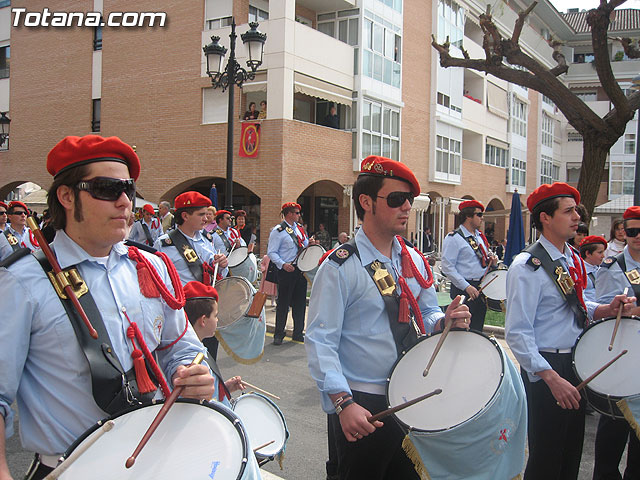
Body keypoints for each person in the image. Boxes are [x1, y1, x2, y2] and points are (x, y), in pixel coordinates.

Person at [0, 135, 215, 480]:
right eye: (105, 188)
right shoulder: (21, 281)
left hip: (153, 462)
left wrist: (191, 373)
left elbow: (181, 347)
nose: (123, 201)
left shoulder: (152, 267)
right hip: (71, 469)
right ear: (67, 196)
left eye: (128, 190)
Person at [306, 155, 471, 480]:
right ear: (366, 201)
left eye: (409, 200)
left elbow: (427, 312)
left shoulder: (412, 258)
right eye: (397, 199)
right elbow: (321, 341)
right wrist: (343, 403)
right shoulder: (340, 266)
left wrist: (444, 321)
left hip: (411, 394)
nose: (407, 207)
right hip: (363, 402)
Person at [505, 182, 635, 480]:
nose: (576, 216)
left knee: (570, 453)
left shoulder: (572, 258)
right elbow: (517, 332)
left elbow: (577, 304)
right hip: (548, 367)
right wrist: (550, 377)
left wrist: (604, 309)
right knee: (547, 455)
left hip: (575, 362)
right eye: (568, 211)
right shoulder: (527, 266)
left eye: (576, 210)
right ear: (545, 218)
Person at [592, 206, 640, 480]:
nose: (637, 236)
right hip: (621, 356)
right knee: (613, 427)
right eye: (631, 231)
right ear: (623, 233)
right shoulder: (613, 267)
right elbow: (601, 309)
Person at [183, 281, 244, 405]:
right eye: (215, 315)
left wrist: (224, 388)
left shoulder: (196, 346)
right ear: (203, 320)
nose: (217, 319)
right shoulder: (194, 361)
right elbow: (202, 406)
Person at [441, 199, 497, 332]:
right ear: (468, 216)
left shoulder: (479, 237)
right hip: (464, 290)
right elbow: (447, 267)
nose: (482, 218)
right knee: (460, 331)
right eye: (479, 215)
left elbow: (482, 260)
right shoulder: (454, 238)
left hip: (481, 288)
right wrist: (467, 287)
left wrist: (492, 262)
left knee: (477, 330)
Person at [154, 191, 228, 286]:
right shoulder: (163, 244)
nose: (206, 219)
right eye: (201, 215)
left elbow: (218, 275)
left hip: (205, 298)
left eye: (206, 214)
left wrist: (222, 265)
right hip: (179, 298)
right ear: (185, 216)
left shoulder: (207, 239)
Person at [267, 202, 313, 345]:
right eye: (297, 213)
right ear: (289, 214)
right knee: (283, 304)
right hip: (286, 270)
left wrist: (309, 243)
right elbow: (272, 252)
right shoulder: (278, 230)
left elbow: (304, 246)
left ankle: (298, 333)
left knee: (299, 304)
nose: (299, 216)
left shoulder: (299, 229)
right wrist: (283, 264)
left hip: (300, 270)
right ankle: (279, 334)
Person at [578, 235, 607, 303]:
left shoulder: (599, 270)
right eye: (600, 252)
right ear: (588, 253)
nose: (603, 256)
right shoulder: (580, 271)